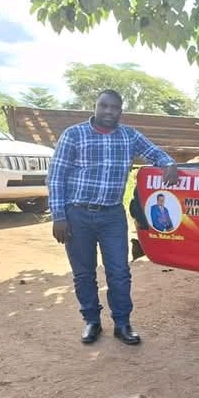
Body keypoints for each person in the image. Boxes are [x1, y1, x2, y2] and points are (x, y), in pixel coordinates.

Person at [47, 90, 179, 345]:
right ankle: (91, 321)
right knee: (83, 273)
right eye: (104, 106)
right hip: (77, 215)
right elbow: (56, 176)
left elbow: (155, 152)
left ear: (120, 111)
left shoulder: (129, 136)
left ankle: (122, 323)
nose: (109, 111)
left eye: (114, 107)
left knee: (119, 271)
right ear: (95, 106)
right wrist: (59, 216)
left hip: (112, 216)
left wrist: (169, 164)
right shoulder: (74, 135)